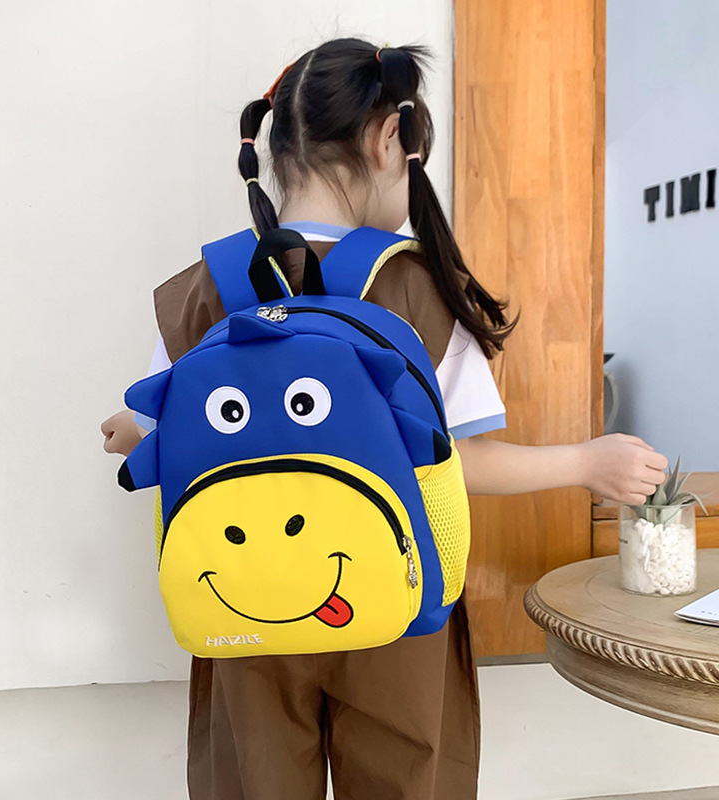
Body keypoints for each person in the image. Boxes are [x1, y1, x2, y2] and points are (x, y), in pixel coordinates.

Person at [101, 38, 668, 800]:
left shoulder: (211, 285)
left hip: (246, 608)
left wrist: (130, 429)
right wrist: (585, 462)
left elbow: (155, 430)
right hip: (396, 602)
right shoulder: (415, 287)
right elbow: (461, 459)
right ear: (386, 138)